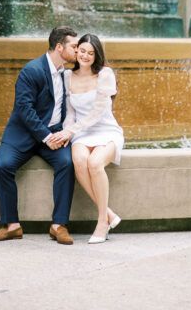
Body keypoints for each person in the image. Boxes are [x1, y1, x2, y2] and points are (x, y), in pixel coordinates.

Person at [0, 26, 78, 244]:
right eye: (74, 46)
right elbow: (24, 109)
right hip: (24, 134)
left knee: (67, 164)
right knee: (2, 167)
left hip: (55, 135)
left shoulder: (67, 74)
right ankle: (11, 226)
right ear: (59, 47)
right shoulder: (32, 70)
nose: (77, 51)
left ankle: (59, 225)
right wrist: (46, 137)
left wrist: (62, 134)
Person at [56, 33, 124, 243]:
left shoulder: (105, 74)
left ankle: (102, 222)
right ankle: (109, 214)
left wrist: (70, 131)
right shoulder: (68, 76)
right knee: (79, 161)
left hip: (106, 129)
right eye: (82, 51)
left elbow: (97, 112)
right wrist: (68, 131)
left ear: (97, 55)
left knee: (95, 163)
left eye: (90, 53)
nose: (85, 56)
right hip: (81, 133)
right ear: (76, 52)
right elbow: (71, 113)